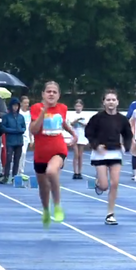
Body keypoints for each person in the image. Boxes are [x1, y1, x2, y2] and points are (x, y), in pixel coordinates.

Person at [30, 81, 77, 228]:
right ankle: (45, 210)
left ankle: (57, 205)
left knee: (51, 171)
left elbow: (62, 122)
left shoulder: (62, 108)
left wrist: (73, 134)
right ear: (43, 94)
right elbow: (33, 130)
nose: (51, 94)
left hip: (58, 149)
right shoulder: (36, 108)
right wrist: (43, 113)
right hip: (41, 153)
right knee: (43, 187)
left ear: (58, 95)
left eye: (54, 92)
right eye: (48, 91)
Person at [85, 90, 133, 225]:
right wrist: (95, 145)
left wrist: (126, 146)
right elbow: (89, 132)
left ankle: (110, 214)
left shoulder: (122, 119)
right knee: (104, 186)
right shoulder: (97, 118)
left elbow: (128, 135)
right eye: (108, 100)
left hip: (115, 153)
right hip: (100, 153)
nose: (111, 102)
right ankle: (99, 183)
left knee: (115, 183)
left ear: (117, 102)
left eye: (113, 100)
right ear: (104, 102)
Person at [0, 97, 26, 183]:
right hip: (10, 141)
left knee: (17, 159)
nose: (15, 107)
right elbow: (3, 127)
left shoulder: (21, 117)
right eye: (14, 105)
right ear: (11, 106)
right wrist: (13, 131)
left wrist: (21, 130)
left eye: (17, 106)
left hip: (19, 141)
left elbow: (24, 127)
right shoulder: (6, 116)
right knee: (8, 158)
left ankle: (14, 176)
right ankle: (6, 175)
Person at [70, 99, 88, 179]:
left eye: (79, 106)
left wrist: (81, 122)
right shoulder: (72, 115)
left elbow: (86, 124)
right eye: (77, 106)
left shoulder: (85, 115)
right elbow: (71, 123)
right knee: (76, 154)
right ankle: (75, 171)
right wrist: (77, 120)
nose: (78, 108)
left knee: (80, 155)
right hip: (75, 136)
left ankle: (80, 172)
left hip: (82, 136)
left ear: (82, 107)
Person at [18, 96, 32, 178]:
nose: (26, 104)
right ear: (21, 103)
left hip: (26, 136)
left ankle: (21, 170)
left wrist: (31, 138)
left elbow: (30, 126)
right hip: (19, 135)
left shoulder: (29, 113)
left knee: (23, 153)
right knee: (18, 153)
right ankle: (16, 169)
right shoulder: (19, 113)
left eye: (28, 103)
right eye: (25, 103)